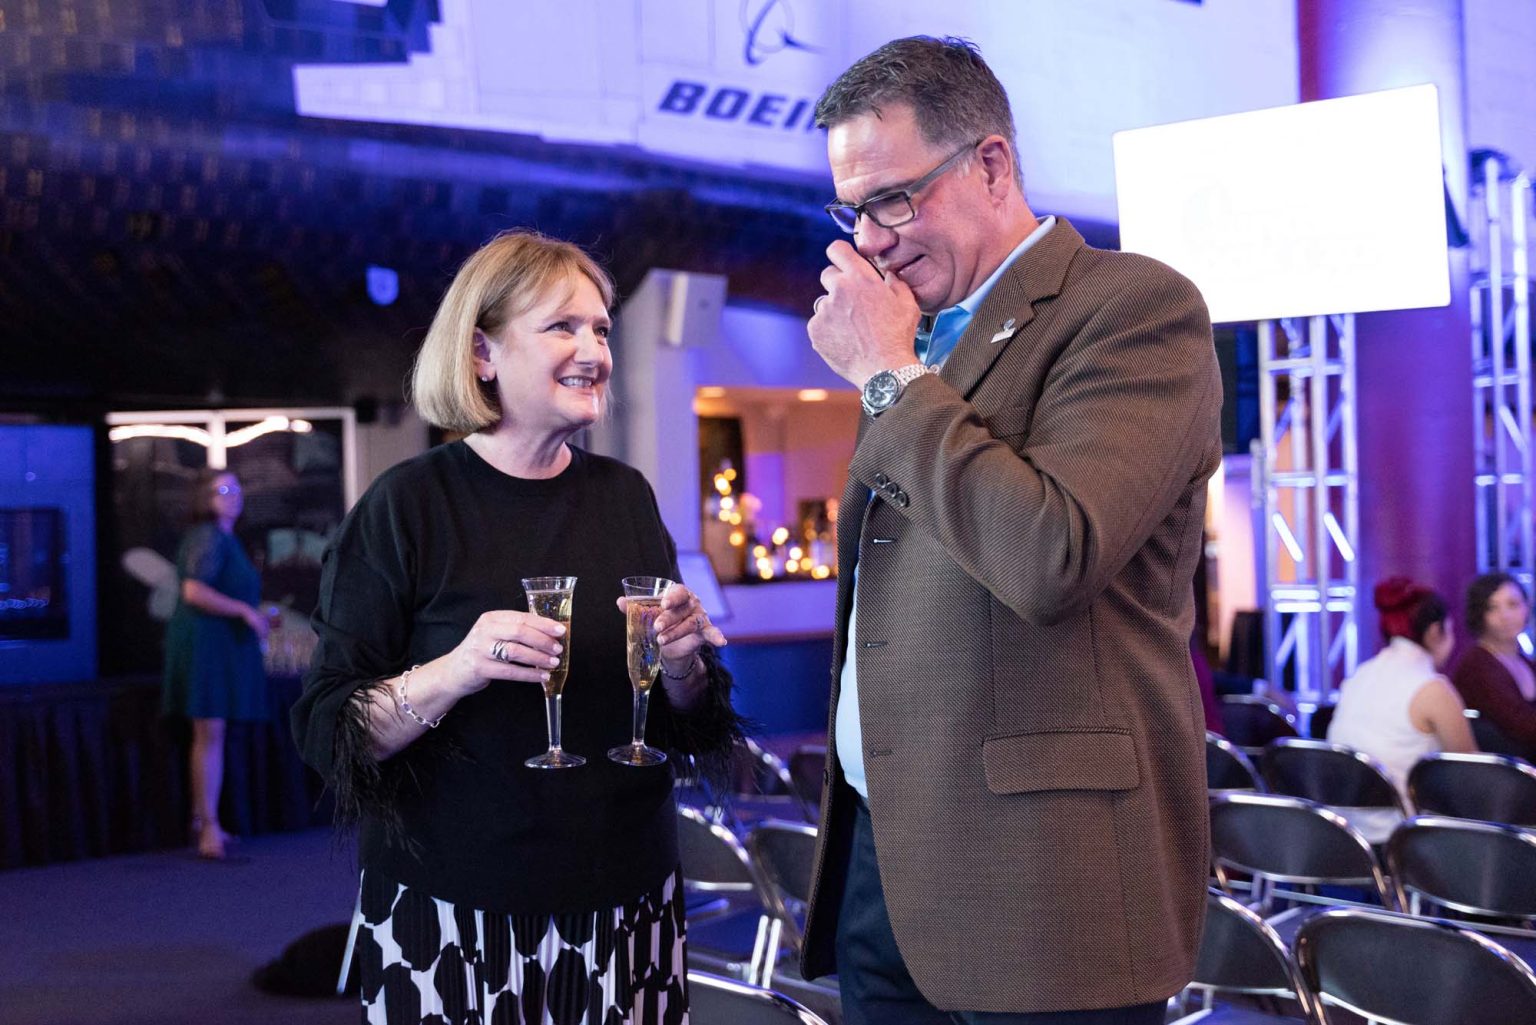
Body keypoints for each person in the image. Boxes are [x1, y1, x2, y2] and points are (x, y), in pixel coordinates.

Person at [801, 36, 1222, 1024]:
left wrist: (889, 374)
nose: (870, 241)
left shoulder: (1132, 307)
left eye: (893, 199)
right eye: (853, 210)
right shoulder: (917, 342)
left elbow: (1050, 553)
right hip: (887, 856)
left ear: (991, 165)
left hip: (1045, 881)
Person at [291, 229, 741, 1025]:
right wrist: (458, 668)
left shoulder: (626, 496)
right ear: (481, 353)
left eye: (601, 328)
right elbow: (331, 732)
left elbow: (687, 722)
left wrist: (682, 664)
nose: (594, 351)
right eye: (562, 326)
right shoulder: (406, 506)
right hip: (454, 908)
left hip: (625, 900)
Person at [162, 469, 271, 860]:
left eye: (236, 488)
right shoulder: (206, 536)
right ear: (204, 498)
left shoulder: (227, 538)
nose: (233, 495)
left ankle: (204, 819)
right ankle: (208, 825)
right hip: (206, 644)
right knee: (210, 733)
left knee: (215, 734)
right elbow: (193, 590)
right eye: (222, 490)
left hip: (222, 644)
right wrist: (244, 611)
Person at [1328, 577, 1476, 810]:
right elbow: (1472, 772)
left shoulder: (1360, 674)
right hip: (1403, 827)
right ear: (1435, 631)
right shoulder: (1432, 688)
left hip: (1343, 824)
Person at [1452, 572, 1536, 760]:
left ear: (1526, 607)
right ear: (1479, 614)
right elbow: (1520, 725)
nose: (1505, 616)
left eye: (1513, 604)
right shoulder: (1477, 665)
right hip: (1504, 772)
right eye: (1492, 608)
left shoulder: (1523, 660)